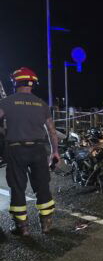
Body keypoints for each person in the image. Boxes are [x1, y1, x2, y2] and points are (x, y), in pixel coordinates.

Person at [0, 68, 60, 235]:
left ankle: (22, 228)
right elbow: (52, 131)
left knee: (17, 187)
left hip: (15, 150)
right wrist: (55, 152)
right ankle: (46, 224)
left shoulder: (6, 102)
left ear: (16, 82)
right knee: (42, 185)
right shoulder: (41, 103)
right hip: (38, 150)